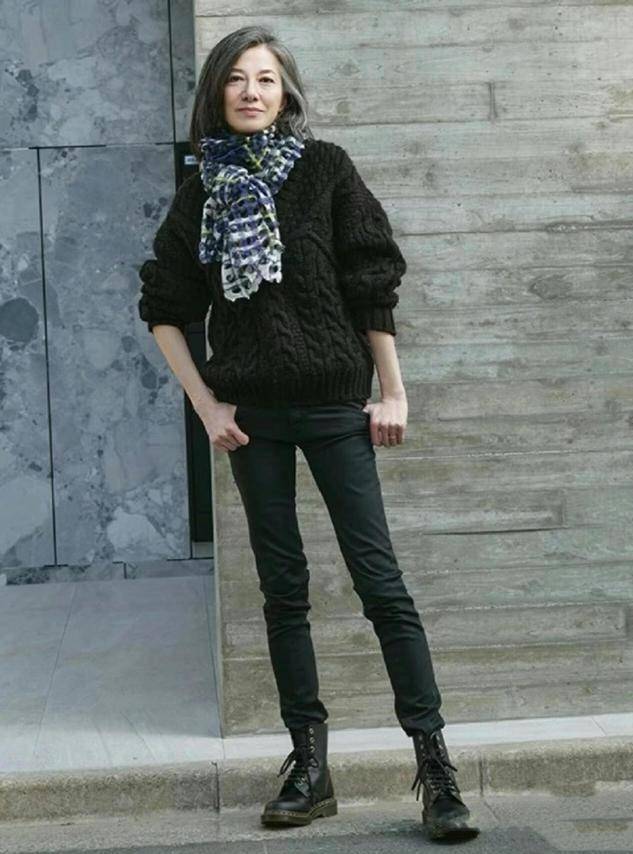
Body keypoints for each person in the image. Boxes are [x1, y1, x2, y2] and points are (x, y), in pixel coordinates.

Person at [137, 24, 480, 843]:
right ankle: (309, 767)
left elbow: (371, 279)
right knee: (283, 591)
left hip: (333, 409)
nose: (251, 92)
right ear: (216, 93)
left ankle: (435, 769)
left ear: (285, 91)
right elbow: (164, 307)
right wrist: (206, 405)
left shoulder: (325, 169)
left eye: (265, 79)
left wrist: (392, 391)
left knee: (380, 584)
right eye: (236, 79)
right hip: (252, 419)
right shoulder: (202, 194)